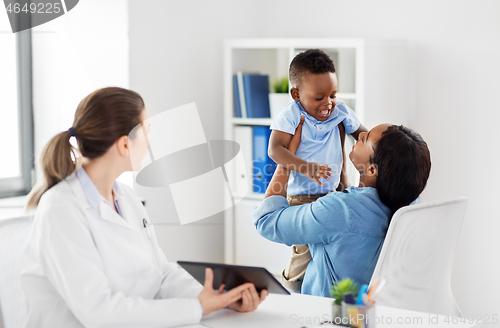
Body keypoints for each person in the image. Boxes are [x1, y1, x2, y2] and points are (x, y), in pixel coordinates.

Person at [22, 87, 267, 328]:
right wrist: (197, 308)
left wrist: (218, 299)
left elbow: (158, 273)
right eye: (146, 132)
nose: (150, 143)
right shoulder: (61, 209)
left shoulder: (125, 197)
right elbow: (98, 312)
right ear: (124, 145)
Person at [253, 116, 431, 297]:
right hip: (370, 313)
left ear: (372, 170)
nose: (360, 134)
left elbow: (266, 221)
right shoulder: (411, 205)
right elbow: (356, 215)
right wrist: (342, 167)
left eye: (366, 138)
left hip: (328, 316)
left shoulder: (339, 210)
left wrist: (288, 158)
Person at [267, 49, 368, 290]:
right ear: (296, 94)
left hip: (332, 195)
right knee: (305, 250)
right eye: (319, 97)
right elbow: (275, 150)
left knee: (328, 250)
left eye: (333, 94)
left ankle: (321, 291)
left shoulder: (339, 110)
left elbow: (365, 136)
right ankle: (293, 286)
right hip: (302, 197)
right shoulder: (292, 114)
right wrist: (306, 167)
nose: (328, 103)